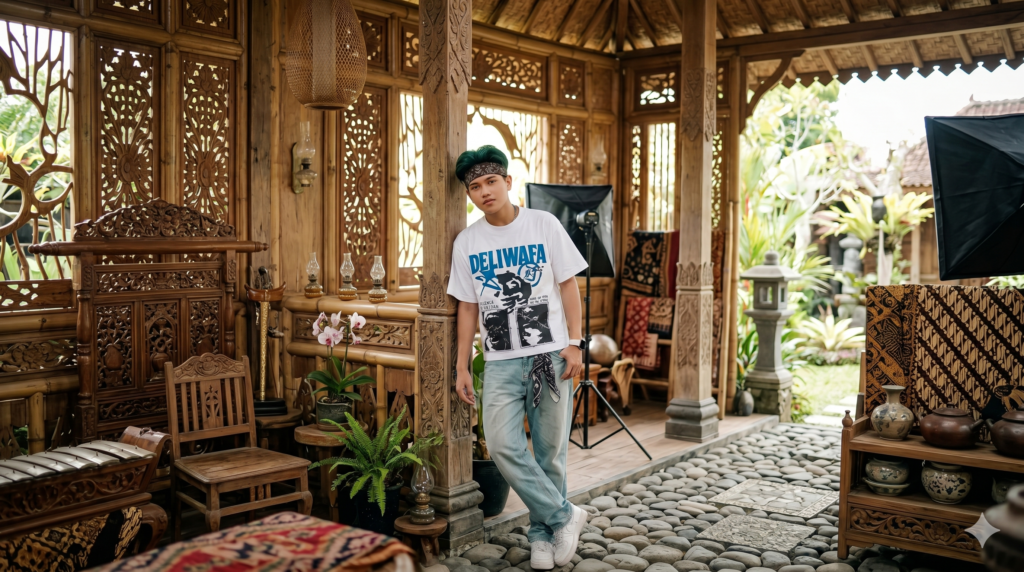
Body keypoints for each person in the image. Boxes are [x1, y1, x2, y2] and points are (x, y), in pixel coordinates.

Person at [448, 146, 589, 570]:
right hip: (500, 361)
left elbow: (568, 286)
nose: (485, 191)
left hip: (549, 355)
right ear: (470, 195)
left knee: (549, 453)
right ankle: (565, 515)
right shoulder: (467, 242)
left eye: (492, 181)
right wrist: (460, 366)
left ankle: (542, 534)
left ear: (508, 182)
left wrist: (576, 343)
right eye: (475, 186)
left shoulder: (543, 224)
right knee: (504, 445)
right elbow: (468, 308)